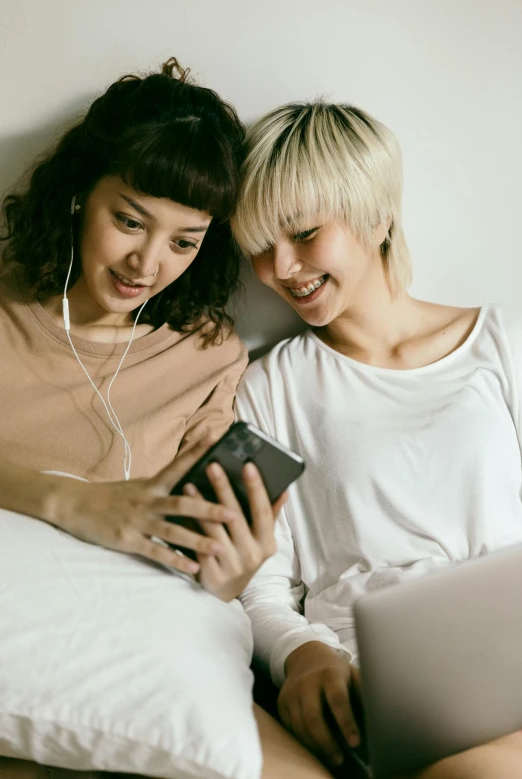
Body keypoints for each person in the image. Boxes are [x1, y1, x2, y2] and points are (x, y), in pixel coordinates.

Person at [0, 61, 335, 779]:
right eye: (129, 220)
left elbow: (204, 570)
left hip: (133, 655)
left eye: (184, 242)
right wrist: (73, 502)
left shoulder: (206, 356)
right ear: (77, 194)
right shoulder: (6, 312)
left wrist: (230, 567)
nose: (147, 263)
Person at [232, 100, 522, 778]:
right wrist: (301, 654)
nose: (280, 268)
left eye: (304, 232)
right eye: (258, 247)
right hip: (378, 691)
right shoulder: (269, 387)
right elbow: (261, 585)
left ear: (377, 214)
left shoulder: (503, 345)